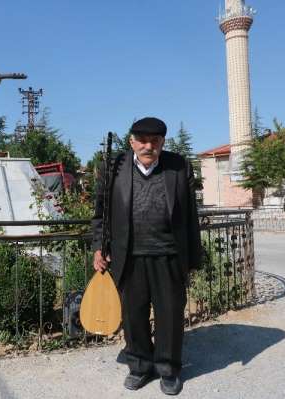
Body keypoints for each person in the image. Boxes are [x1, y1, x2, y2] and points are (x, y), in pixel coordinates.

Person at [91, 117, 202, 395]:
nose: (148, 146)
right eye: (142, 140)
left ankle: (168, 369)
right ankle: (140, 366)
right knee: (133, 316)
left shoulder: (179, 166)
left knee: (170, 315)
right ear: (132, 142)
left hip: (169, 255)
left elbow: (190, 217)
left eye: (154, 141)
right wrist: (97, 247)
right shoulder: (114, 167)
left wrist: (192, 259)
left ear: (163, 142)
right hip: (128, 256)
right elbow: (100, 213)